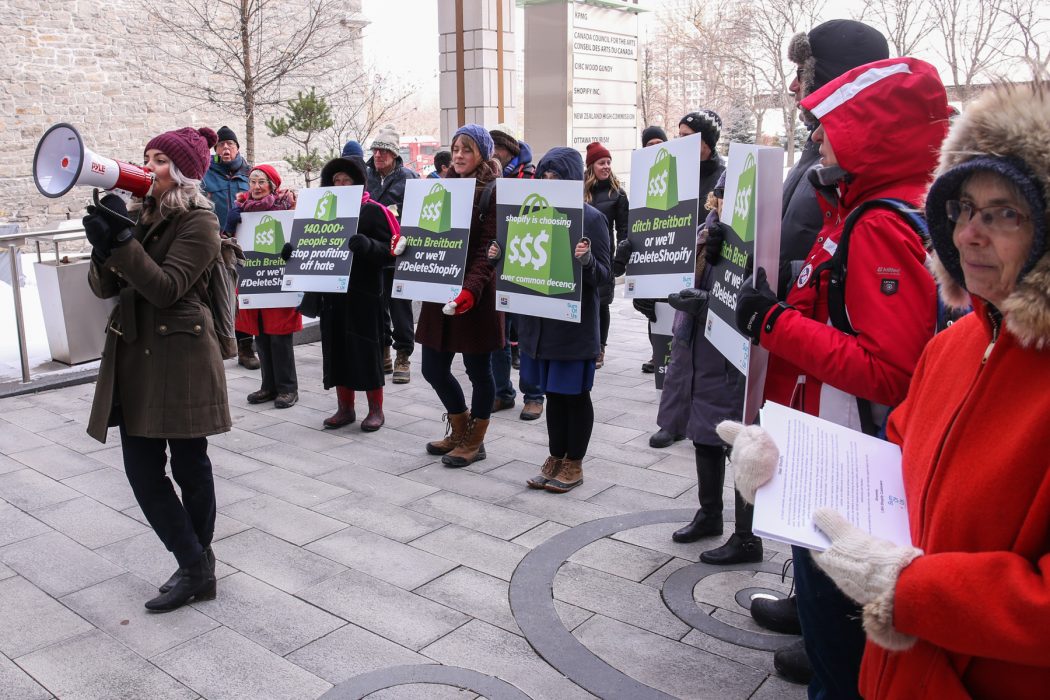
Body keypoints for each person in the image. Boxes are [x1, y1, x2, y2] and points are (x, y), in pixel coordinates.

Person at [726, 80, 1050, 700]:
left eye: (1005, 212)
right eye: (962, 209)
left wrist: (910, 588)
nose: (970, 235)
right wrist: (786, 467)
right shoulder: (952, 349)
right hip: (902, 671)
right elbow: (894, 469)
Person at [719, 57, 949, 700]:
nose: (816, 137)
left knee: (838, 655)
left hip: (846, 462)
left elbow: (891, 371)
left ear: (867, 135)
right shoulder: (870, 206)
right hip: (841, 441)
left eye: (827, 126)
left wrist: (772, 323)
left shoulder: (877, 221)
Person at [746, 18, 891, 686]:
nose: (798, 86)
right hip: (800, 346)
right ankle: (813, 611)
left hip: (828, 358)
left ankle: (830, 633)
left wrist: (780, 313)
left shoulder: (878, 200)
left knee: (838, 510)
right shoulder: (818, 149)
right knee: (807, 503)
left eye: (807, 73)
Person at [84, 126, 229, 611]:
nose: (150, 167)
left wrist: (124, 243)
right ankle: (194, 562)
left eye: (162, 160)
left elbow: (168, 288)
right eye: (147, 157)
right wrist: (103, 243)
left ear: (186, 172)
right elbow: (104, 288)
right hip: (137, 352)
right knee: (142, 469)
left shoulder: (200, 222)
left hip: (181, 355)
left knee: (190, 465)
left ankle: (195, 567)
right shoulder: (140, 215)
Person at [493, 147, 610, 492]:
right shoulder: (525, 213)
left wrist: (587, 261)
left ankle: (574, 462)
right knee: (553, 397)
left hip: (571, 329)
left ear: (572, 179)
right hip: (537, 328)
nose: (548, 182)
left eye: (556, 177)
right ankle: (555, 456)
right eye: (543, 176)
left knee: (573, 395)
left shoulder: (590, 218)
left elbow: (603, 276)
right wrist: (497, 258)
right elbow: (517, 268)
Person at [412, 124, 503, 467]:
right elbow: (426, 234)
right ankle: (459, 426)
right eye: (455, 149)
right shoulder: (440, 188)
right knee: (433, 368)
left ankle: (474, 441)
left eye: (467, 149)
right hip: (440, 292)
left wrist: (472, 289)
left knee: (479, 371)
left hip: (474, 297)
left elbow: (488, 249)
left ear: (482, 153)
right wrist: (406, 247)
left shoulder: (493, 191)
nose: (460, 155)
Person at [646, 109, 727, 450]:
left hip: (710, 273)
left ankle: (707, 424)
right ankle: (672, 421)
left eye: (689, 136)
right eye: (678, 135)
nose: (681, 142)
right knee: (676, 350)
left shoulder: (724, 176)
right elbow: (654, 221)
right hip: (677, 268)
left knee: (703, 356)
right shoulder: (674, 174)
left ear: (707, 142)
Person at [303, 155, 397, 431]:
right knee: (337, 351)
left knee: (366, 352)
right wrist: (292, 254)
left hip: (364, 295)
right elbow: (309, 246)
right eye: (336, 180)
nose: (341, 185)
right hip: (332, 296)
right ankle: (345, 408)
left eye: (346, 180)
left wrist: (368, 245)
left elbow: (390, 252)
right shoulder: (321, 212)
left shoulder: (373, 211)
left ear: (357, 182)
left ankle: (375, 409)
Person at [227, 164, 302, 408]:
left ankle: (288, 388)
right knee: (261, 336)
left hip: (278, 282)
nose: (256, 187)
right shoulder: (241, 211)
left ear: (272, 184)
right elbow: (226, 247)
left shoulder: (287, 208)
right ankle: (268, 386)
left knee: (280, 337)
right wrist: (228, 227)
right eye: (252, 182)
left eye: (262, 182)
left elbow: (302, 241)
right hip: (254, 281)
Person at [488, 124, 545, 421]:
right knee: (498, 335)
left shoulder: (531, 177)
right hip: (494, 267)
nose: (491, 155)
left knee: (526, 334)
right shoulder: (486, 179)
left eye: (495, 149)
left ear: (509, 150)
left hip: (525, 264)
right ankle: (502, 392)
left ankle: (534, 395)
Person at [367, 126, 419, 384]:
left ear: (394, 154)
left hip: (401, 254)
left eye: (384, 151)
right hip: (374, 254)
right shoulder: (366, 177)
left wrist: (397, 214)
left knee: (400, 308)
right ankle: (383, 349)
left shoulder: (409, 178)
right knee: (377, 306)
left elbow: (420, 215)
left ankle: (403, 355)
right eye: (376, 150)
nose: (379, 154)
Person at [202, 125, 256, 369]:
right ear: (215, 150)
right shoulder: (206, 174)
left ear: (237, 148)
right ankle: (221, 344)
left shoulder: (250, 173)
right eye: (221, 145)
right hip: (218, 245)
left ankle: (246, 348)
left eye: (230, 144)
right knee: (222, 294)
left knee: (244, 295)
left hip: (248, 243)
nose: (225, 148)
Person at [584, 141, 628, 369]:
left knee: (602, 304)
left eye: (609, 162)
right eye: (602, 162)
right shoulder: (580, 191)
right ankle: (586, 342)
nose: (607, 166)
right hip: (580, 254)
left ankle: (600, 347)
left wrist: (620, 258)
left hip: (604, 256)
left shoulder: (618, 194)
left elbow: (624, 229)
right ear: (591, 166)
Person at [630, 126, 669, 373]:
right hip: (651, 250)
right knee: (652, 308)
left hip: (674, 249)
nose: (654, 147)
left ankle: (668, 354)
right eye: (649, 144)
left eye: (658, 142)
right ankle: (657, 353)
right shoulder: (643, 177)